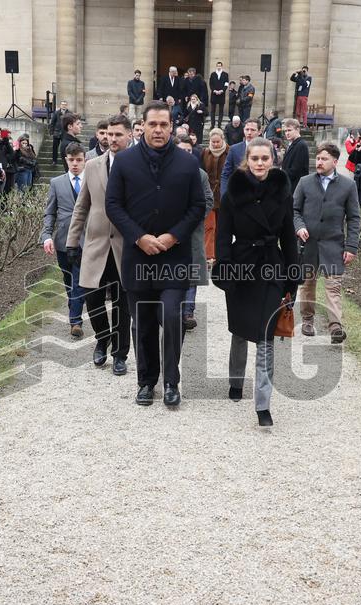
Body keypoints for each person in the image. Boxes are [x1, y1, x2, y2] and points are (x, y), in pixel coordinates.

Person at [105, 100, 205, 408]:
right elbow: (113, 206)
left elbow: (197, 207)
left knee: (173, 316)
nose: (158, 130)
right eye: (153, 124)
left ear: (171, 127)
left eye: (164, 125)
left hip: (174, 258)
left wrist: (173, 235)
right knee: (143, 322)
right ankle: (146, 382)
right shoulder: (124, 162)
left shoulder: (188, 164)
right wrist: (139, 237)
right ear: (143, 126)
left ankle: (172, 381)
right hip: (138, 257)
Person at [214, 137, 299, 427]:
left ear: (272, 161)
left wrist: (292, 278)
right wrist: (225, 269)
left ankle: (263, 405)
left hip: (271, 267)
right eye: (255, 158)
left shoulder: (282, 191)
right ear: (246, 160)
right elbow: (223, 236)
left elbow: (288, 236)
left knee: (265, 335)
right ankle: (236, 382)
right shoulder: (232, 193)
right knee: (240, 330)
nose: (260, 163)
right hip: (241, 266)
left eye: (265, 158)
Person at [66, 115, 132, 376]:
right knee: (92, 298)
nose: (111, 139)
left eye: (117, 134)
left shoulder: (140, 165)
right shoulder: (92, 166)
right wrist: (72, 241)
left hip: (126, 247)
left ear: (128, 135)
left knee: (122, 303)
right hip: (95, 245)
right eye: (108, 134)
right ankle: (102, 339)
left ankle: (120, 354)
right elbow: (82, 206)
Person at [293, 142, 361, 344]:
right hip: (308, 243)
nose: (319, 162)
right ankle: (307, 319)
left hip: (334, 244)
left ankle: (335, 327)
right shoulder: (305, 182)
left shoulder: (348, 185)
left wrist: (351, 246)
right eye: (318, 158)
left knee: (333, 286)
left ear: (335, 161)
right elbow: (294, 210)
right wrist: (299, 226)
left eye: (324, 159)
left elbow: (354, 218)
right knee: (307, 284)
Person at [41, 143, 87, 339]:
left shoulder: (91, 181)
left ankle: (75, 320)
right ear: (66, 160)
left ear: (85, 160)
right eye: (71, 160)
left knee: (79, 281)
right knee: (69, 281)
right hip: (63, 240)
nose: (75, 164)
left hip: (87, 240)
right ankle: (73, 308)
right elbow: (49, 212)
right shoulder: (57, 183)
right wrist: (46, 236)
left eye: (79, 160)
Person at [174, 135, 214, 331]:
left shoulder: (201, 175)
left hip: (193, 232)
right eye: (181, 150)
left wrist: (194, 217)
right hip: (169, 233)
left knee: (191, 272)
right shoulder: (163, 172)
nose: (185, 154)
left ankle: (188, 312)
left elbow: (208, 200)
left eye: (189, 151)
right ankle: (172, 309)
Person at [201, 128, 229, 263]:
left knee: (222, 226)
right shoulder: (205, 152)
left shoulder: (229, 152)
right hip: (209, 194)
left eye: (218, 142)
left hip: (224, 194)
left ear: (222, 140)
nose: (216, 144)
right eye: (213, 142)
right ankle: (209, 256)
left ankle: (221, 254)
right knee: (210, 226)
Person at [220, 118, 264, 197]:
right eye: (247, 129)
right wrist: (224, 196)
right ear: (243, 130)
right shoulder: (234, 149)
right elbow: (226, 174)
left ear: (259, 132)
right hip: (238, 195)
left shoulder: (266, 149)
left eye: (253, 130)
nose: (249, 133)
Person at [280, 118, 309, 188]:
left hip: (296, 186)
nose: (287, 133)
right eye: (285, 131)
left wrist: (280, 174)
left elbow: (296, 170)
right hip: (290, 184)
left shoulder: (301, 145)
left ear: (298, 130)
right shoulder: (293, 144)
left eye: (289, 130)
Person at [209, 62, 229, 128]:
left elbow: (226, 84)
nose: (219, 67)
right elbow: (210, 84)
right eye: (218, 66)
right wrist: (214, 90)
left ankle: (219, 124)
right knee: (212, 111)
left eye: (220, 66)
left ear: (222, 66)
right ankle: (212, 124)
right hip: (214, 94)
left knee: (221, 111)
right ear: (216, 66)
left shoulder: (225, 74)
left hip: (221, 94)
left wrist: (222, 90)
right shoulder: (213, 74)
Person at [50, 99, 69, 165]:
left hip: (65, 133)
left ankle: (66, 161)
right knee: (55, 147)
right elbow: (52, 123)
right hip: (57, 133)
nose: (64, 106)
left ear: (67, 106)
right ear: (60, 105)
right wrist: (51, 132)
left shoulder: (69, 113)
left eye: (65, 105)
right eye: (62, 105)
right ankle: (54, 161)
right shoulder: (56, 113)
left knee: (66, 148)